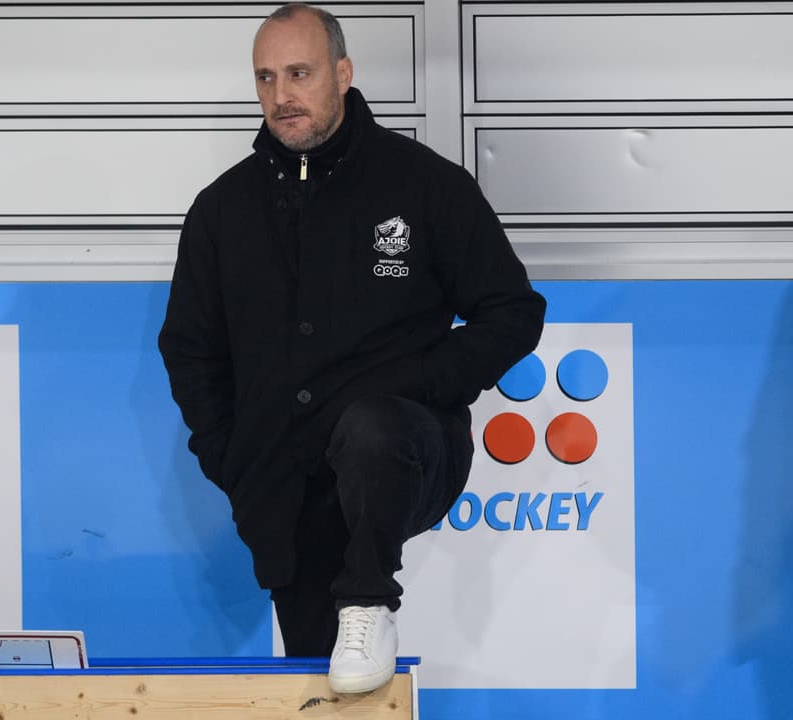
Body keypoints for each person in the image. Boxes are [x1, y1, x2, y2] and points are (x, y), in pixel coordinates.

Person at [158, 3, 546, 694]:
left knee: (372, 425)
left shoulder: (424, 185)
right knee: (322, 688)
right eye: (266, 78)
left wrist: (420, 383)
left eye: (300, 74)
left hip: (408, 447)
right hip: (282, 480)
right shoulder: (221, 211)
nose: (282, 96)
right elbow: (190, 349)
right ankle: (341, 630)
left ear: (342, 73)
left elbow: (512, 313)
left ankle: (368, 600)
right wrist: (231, 455)